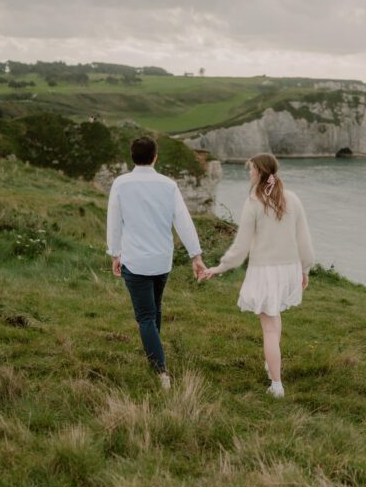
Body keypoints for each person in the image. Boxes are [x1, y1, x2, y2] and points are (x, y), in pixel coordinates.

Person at [200, 153, 314, 398]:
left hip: (266, 271)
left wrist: (219, 267)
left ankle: (276, 384)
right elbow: (304, 240)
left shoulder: (254, 202)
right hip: (288, 269)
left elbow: (241, 246)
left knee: (269, 330)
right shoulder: (292, 199)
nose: (249, 173)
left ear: (260, 172)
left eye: (251, 169)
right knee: (275, 318)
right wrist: (304, 269)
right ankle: (271, 363)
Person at [106, 136, 206, 389]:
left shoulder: (121, 183)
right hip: (162, 260)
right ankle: (155, 353)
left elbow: (114, 221)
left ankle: (161, 371)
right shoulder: (168, 185)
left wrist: (115, 253)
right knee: (155, 309)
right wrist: (196, 255)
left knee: (146, 317)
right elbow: (183, 221)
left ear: (132, 156)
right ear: (155, 157)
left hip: (135, 260)